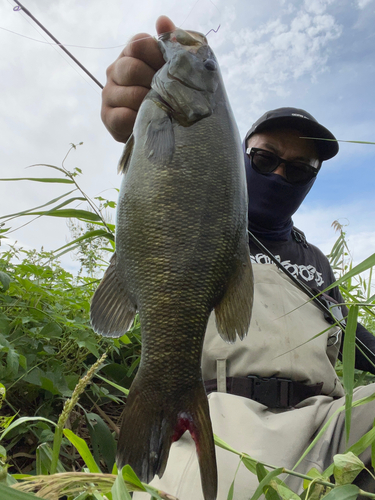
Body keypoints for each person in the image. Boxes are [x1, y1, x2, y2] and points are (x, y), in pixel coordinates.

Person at [101, 15, 375, 500]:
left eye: (299, 169)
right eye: (264, 160)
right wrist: (139, 117)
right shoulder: (207, 219)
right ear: (236, 155)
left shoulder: (315, 259)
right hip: (231, 422)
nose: (278, 175)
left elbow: (350, 336)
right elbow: (163, 199)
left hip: (334, 422)